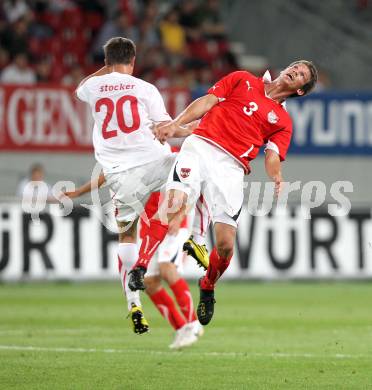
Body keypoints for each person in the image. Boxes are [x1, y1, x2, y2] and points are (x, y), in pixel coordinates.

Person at [129, 60, 318, 326]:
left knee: (226, 245)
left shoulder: (283, 121)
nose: (295, 71)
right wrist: (176, 124)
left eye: (301, 75)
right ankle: (140, 266)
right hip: (200, 146)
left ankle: (207, 286)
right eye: (295, 67)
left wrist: (276, 175)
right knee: (172, 204)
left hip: (231, 168)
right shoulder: (243, 79)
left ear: (300, 90)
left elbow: (272, 155)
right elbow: (207, 102)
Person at [75, 36, 201, 334]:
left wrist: (104, 72)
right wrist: (192, 128)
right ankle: (155, 254)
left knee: (127, 235)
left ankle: (133, 300)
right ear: (133, 61)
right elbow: (166, 128)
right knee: (188, 173)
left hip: (118, 172)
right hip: (153, 161)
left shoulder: (93, 87)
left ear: (105, 63)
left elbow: (79, 88)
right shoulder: (146, 88)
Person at [63, 174, 204, 349]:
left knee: (166, 267)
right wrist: (78, 192)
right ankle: (181, 327)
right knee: (149, 282)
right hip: (150, 226)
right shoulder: (135, 155)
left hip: (173, 223)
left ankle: (193, 323)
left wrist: (180, 216)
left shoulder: (173, 156)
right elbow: (106, 174)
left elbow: (194, 188)